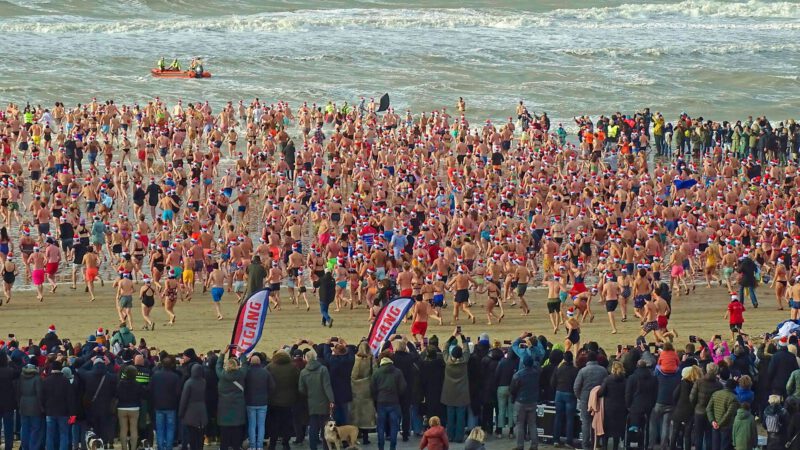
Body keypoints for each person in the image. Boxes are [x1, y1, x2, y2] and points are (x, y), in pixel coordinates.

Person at [298, 349, 334, 450]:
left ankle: (313, 447)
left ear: (306, 358)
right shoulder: (323, 369)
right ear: (315, 357)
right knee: (325, 428)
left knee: (313, 427)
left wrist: (308, 394)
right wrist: (331, 400)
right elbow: (327, 386)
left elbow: (301, 389)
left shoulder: (303, 372)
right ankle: (325, 447)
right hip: (324, 402)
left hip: (311, 402)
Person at [370, 354, 406, 450]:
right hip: (394, 402)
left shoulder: (376, 373)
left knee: (381, 426)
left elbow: (372, 389)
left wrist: (376, 399)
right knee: (394, 426)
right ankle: (392, 447)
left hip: (381, 402)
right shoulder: (398, 372)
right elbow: (403, 387)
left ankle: (381, 446)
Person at [266, 350, 300, 450]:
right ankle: (286, 443)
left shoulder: (270, 366)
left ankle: (272, 444)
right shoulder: (293, 367)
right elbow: (298, 382)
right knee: (286, 423)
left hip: (273, 401)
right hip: (289, 401)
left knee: (274, 424)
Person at [216, 349, 249, 450]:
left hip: (224, 409)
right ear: (236, 366)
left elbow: (218, 366)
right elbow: (245, 365)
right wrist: (242, 353)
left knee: (224, 437)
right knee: (236, 436)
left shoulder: (221, 375)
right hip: (238, 409)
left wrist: (222, 354)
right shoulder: (241, 374)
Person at [573, 351, 607, 450]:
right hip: (598, 399)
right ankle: (596, 444)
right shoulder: (603, 370)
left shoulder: (583, 371)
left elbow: (576, 387)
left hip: (585, 399)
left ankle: (585, 445)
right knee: (598, 421)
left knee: (586, 422)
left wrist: (580, 397)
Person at [441, 330, 470, 443]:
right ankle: (459, 437)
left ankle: (450, 436)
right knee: (461, 416)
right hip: (462, 392)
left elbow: (444, 347)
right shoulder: (464, 360)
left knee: (450, 416)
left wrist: (452, 335)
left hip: (449, 392)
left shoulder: (447, 360)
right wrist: (463, 337)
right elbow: (467, 349)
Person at [510, 355, 540, 450]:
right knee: (532, 424)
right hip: (533, 401)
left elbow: (512, 389)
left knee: (520, 424)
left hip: (521, 402)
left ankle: (520, 446)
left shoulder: (518, 375)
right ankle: (534, 446)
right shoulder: (537, 373)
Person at [244, 354, 274, 450]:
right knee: (261, 425)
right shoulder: (265, 372)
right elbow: (272, 386)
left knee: (252, 425)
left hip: (250, 402)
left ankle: (252, 446)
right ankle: (260, 446)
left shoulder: (247, 372)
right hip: (263, 402)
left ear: (251, 362)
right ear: (260, 362)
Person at [150, 356, 181, 450]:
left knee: (160, 429)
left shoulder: (155, 375)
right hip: (171, 406)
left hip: (158, 406)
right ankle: (168, 447)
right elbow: (178, 392)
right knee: (170, 429)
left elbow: (151, 390)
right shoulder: (175, 377)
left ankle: (160, 447)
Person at [42, 360, 73, 450]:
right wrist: (72, 412)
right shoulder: (66, 381)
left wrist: (44, 409)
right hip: (63, 412)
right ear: (61, 369)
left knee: (50, 435)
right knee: (64, 434)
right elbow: (70, 398)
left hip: (50, 411)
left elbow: (42, 397)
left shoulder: (46, 381)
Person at [351, 341, 376, 445]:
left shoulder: (355, 359)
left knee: (356, 414)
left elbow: (353, 374)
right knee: (367, 415)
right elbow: (374, 373)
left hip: (355, 389)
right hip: (367, 388)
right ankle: (366, 438)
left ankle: (355, 437)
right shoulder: (371, 359)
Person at [691, 363, 721, 450]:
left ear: (707, 370)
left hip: (699, 411)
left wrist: (695, 407)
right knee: (709, 436)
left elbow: (692, 398)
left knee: (698, 436)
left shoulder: (699, 382)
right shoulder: (719, 385)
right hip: (711, 414)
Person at [552, 351, 578, 448]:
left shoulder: (558, 368)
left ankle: (556, 439)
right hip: (570, 394)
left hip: (559, 393)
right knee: (570, 418)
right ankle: (568, 440)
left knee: (558, 417)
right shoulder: (575, 370)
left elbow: (552, 382)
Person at [597, 361, 626, 450]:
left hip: (608, 407)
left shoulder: (608, 379)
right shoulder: (625, 380)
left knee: (606, 429)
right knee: (617, 430)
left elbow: (601, 393)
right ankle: (615, 447)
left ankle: (605, 447)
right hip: (621, 407)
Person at [116, 365, 146, 450]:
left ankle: (124, 448)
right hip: (134, 408)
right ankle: (133, 448)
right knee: (134, 429)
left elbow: (116, 394)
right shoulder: (138, 384)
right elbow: (143, 395)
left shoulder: (120, 383)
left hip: (121, 408)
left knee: (123, 429)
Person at [179, 364, 207, 450]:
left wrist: (181, 413)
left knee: (192, 437)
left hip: (190, 413)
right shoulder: (203, 381)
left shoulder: (189, 383)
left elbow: (184, 399)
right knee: (200, 436)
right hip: (202, 411)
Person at [706, 379, 740, 450]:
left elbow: (708, 409)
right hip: (726, 426)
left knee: (715, 446)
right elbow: (729, 414)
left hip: (714, 425)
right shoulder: (733, 398)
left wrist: (713, 421)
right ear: (734, 387)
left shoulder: (715, 393)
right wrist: (719, 423)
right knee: (724, 446)